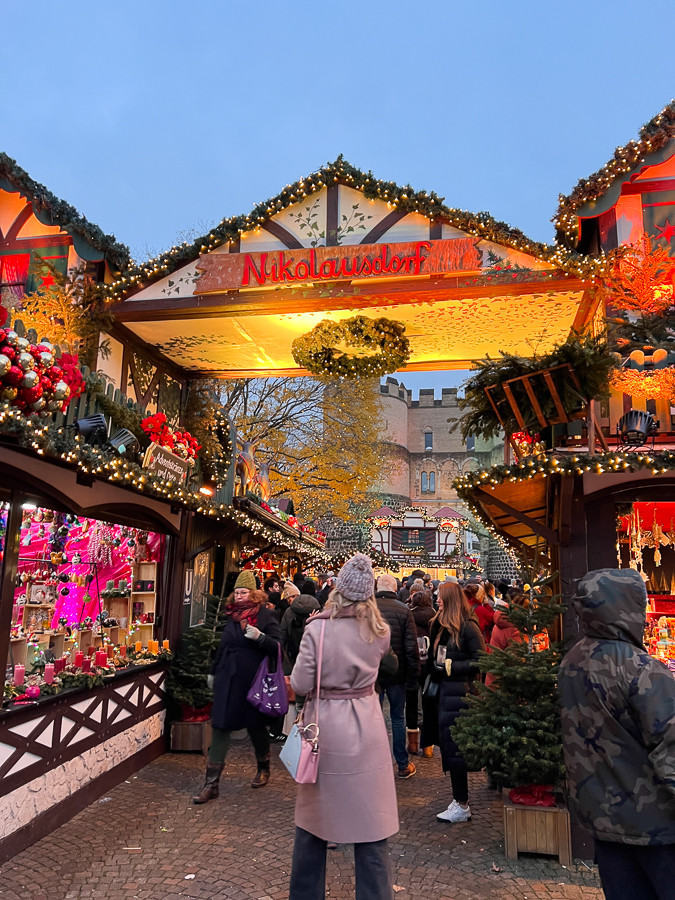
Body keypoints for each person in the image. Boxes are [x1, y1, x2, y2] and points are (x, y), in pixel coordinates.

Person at [559, 568, 675, 900]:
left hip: (604, 818)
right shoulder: (641, 669)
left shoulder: (573, 660)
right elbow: (670, 746)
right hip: (656, 825)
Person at [289, 553, 399, 900]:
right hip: (366, 725)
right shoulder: (379, 631)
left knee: (313, 825)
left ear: (337, 588)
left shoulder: (317, 629)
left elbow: (302, 683)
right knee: (372, 825)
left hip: (325, 729)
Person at [192, 571, 282, 803]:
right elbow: (222, 647)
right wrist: (213, 672)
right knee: (221, 727)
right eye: (237, 592)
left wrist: (261, 637)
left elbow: (277, 647)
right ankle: (211, 784)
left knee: (256, 726)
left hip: (251, 682)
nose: (240, 596)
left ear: (254, 593)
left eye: (244, 592)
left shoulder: (265, 616)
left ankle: (263, 767)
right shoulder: (231, 616)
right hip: (228, 679)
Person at [421, 581, 485, 822]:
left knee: (456, 752)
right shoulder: (440, 626)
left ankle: (462, 804)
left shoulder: (468, 628)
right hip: (443, 696)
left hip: (460, 696)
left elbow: (481, 660)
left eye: (440, 597)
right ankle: (459, 799)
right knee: (449, 749)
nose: (437, 600)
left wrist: (451, 667)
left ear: (450, 601)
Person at [374, 574, 419, 776]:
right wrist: (413, 674)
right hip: (398, 672)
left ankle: (375, 765)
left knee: (373, 719)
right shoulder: (404, 610)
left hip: (372, 672)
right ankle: (402, 764)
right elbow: (411, 647)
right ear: (395, 589)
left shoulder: (368, 609)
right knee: (397, 718)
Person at [407, 590, 435, 754]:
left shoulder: (409, 616)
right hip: (429, 664)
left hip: (413, 662)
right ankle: (428, 746)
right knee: (428, 702)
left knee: (411, 702)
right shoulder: (434, 617)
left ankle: (413, 743)